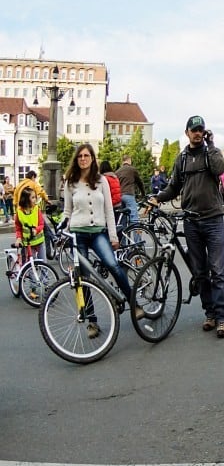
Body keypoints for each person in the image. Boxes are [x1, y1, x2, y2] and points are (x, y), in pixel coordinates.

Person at [152, 115, 224, 337]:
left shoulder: (210, 153)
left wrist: (212, 144)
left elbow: (220, 169)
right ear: (186, 132)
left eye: (201, 130)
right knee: (200, 272)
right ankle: (210, 314)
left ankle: (223, 318)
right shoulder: (182, 158)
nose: (197, 133)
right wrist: (157, 199)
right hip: (191, 222)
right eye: (193, 130)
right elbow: (173, 187)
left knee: (218, 270)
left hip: (213, 219)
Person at [62, 144, 137, 337]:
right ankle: (92, 321)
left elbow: (109, 211)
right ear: (76, 159)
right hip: (78, 233)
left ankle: (132, 302)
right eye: (80, 156)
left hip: (98, 232)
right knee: (83, 279)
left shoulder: (101, 180)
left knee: (113, 264)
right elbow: (67, 211)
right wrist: (62, 228)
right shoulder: (70, 182)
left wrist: (113, 236)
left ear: (93, 158)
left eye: (87, 155)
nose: (83, 159)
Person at [14, 189, 45, 261]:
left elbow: (41, 224)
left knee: (43, 264)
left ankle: (44, 272)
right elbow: (18, 227)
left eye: (35, 197)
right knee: (31, 264)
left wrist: (36, 230)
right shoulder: (19, 212)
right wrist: (18, 238)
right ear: (26, 199)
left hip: (39, 241)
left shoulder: (37, 209)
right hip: (28, 244)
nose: (35, 200)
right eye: (33, 197)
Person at [115, 155, 146, 226]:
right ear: (129, 160)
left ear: (122, 161)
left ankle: (124, 236)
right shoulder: (132, 170)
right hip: (129, 195)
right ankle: (137, 237)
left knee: (123, 219)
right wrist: (143, 193)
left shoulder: (117, 172)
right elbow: (139, 182)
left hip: (120, 197)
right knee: (134, 218)